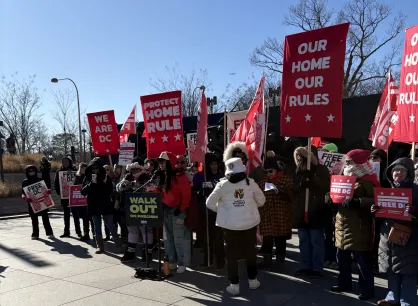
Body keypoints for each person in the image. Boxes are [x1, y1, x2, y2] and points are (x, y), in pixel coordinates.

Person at [206, 157, 265, 295]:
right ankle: (252, 281)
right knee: (251, 253)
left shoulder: (222, 185)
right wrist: (249, 207)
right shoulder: (250, 183)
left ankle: (234, 285)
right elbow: (262, 201)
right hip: (249, 224)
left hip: (230, 226)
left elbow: (209, 203)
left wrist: (223, 211)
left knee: (231, 256)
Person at [330, 149, 378, 300]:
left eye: (350, 162)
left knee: (362, 261)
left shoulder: (368, 180)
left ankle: (366, 289)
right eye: (347, 162)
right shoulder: (342, 177)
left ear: (359, 163)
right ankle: (344, 283)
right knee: (341, 258)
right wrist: (329, 198)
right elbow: (334, 193)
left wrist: (358, 202)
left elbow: (377, 199)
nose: (347, 164)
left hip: (359, 225)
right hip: (342, 224)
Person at [374, 157, 418, 306]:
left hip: (409, 239)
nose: (397, 173)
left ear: (408, 173)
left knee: (408, 272)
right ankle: (392, 297)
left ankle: (408, 301)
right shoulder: (387, 191)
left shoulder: (416, 190)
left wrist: (414, 211)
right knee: (391, 270)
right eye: (394, 170)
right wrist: (375, 210)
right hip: (388, 237)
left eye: (401, 170)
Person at [293, 145, 330, 279]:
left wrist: (313, 178)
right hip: (302, 210)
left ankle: (317, 268)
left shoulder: (321, 169)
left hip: (316, 210)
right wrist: (301, 185)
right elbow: (293, 188)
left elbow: (325, 186)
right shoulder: (298, 170)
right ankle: (306, 265)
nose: (300, 159)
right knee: (304, 240)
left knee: (316, 240)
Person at [257, 157, 294, 269]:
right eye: (266, 172)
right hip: (266, 214)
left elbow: (293, 195)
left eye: (270, 171)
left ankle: (279, 262)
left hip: (281, 214)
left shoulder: (286, 180)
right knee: (267, 239)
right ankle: (266, 261)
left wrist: (281, 191)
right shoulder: (262, 182)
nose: (268, 174)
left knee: (280, 239)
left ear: (277, 170)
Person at [81, 158, 123, 254]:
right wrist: (91, 183)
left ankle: (118, 245)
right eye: (93, 168)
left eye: (97, 168)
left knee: (110, 225)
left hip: (105, 204)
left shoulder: (105, 177)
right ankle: (100, 247)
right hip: (94, 205)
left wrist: (103, 183)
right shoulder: (87, 178)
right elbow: (83, 192)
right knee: (97, 226)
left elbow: (110, 191)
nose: (95, 170)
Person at [159, 151, 191, 274]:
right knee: (168, 239)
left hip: (177, 210)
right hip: (166, 210)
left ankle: (182, 263)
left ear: (169, 163)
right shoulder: (164, 176)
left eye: (163, 161)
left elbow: (186, 195)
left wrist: (182, 208)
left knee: (179, 238)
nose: (160, 164)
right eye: (160, 161)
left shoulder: (180, 177)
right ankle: (171, 262)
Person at [193, 153, 225, 269]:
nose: (215, 166)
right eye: (212, 164)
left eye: (216, 164)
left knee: (218, 238)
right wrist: (201, 193)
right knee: (207, 238)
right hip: (205, 211)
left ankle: (221, 262)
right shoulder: (199, 176)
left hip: (218, 211)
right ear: (207, 165)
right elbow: (194, 192)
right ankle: (208, 261)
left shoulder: (221, 175)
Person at [118, 161, 155, 263]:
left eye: (137, 169)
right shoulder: (127, 178)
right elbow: (118, 188)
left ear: (141, 169)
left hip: (145, 209)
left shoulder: (147, 178)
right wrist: (126, 184)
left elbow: (152, 189)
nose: (135, 171)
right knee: (132, 231)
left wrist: (137, 185)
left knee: (146, 231)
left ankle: (147, 254)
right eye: (132, 170)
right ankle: (130, 253)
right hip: (131, 210)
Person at [22, 165, 54, 239]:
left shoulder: (40, 180)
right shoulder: (25, 182)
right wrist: (25, 198)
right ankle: (35, 234)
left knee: (45, 218)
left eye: (33, 170)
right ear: (26, 172)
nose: (32, 172)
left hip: (42, 202)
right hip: (32, 203)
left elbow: (45, 190)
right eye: (30, 171)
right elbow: (22, 193)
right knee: (34, 219)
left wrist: (48, 191)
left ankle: (49, 233)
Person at [54, 156, 78, 238]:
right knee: (66, 215)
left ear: (70, 162)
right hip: (64, 196)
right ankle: (66, 231)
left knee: (75, 214)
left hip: (74, 196)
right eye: (63, 161)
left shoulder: (75, 170)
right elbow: (56, 183)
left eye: (66, 161)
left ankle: (78, 231)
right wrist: (59, 192)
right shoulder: (59, 171)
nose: (65, 163)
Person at [73, 162, 93, 241]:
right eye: (82, 168)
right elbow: (74, 187)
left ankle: (95, 234)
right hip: (80, 200)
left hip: (89, 200)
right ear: (79, 169)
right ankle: (86, 234)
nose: (83, 169)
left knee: (91, 218)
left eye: (85, 168)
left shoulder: (90, 176)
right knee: (85, 218)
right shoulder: (77, 177)